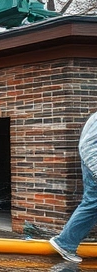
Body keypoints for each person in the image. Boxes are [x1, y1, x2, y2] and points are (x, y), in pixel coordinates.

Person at [50, 111, 97, 263]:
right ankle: (64, 242)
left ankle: (65, 242)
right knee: (92, 203)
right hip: (94, 164)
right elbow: (89, 146)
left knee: (93, 204)